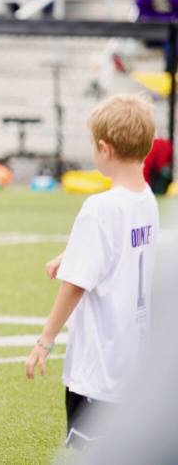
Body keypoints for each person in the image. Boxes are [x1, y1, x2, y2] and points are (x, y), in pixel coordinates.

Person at [26, 93, 158, 451]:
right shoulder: (145, 199)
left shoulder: (99, 207)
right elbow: (115, 249)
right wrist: (70, 253)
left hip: (99, 366)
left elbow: (75, 285)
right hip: (133, 362)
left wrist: (45, 340)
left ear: (105, 148)